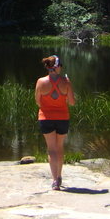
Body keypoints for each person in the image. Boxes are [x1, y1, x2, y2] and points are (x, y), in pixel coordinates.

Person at [34, 54, 75, 190]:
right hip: (63, 118)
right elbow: (72, 102)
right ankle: (59, 176)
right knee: (59, 147)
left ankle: (54, 181)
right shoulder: (66, 81)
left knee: (51, 149)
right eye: (61, 66)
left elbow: (37, 101)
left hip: (46, 118)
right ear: (57, 68)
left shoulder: (40, 81)